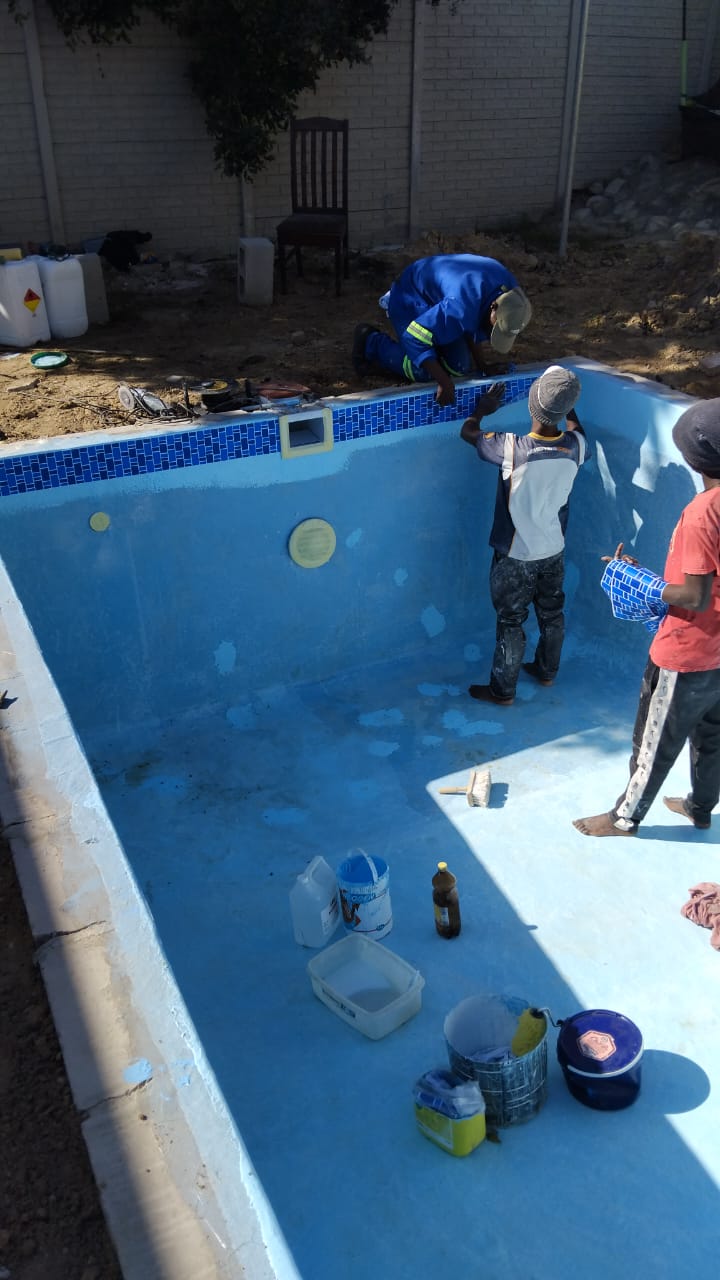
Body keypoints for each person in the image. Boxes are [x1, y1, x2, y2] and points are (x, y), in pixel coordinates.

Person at [574, 398, 720, 837]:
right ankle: (700, 808)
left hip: (687, 654)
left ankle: (624, 818)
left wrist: (641, 583)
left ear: (694, 459)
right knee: (712, 738)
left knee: (652, 743)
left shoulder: (702, 514)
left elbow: (695, 596)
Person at [460, 365, 588, 706]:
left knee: (511, 621)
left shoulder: (510, 449)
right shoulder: (577, 446)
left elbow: (468, 432)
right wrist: (567, 405)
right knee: (552, 613)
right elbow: (575, 427)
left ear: (531, 406)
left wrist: (482, 410)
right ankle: (547, 671)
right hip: (554, 550)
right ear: (566, 410)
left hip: (516, 555)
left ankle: (503, 690)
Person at [352, 254, 531, 407]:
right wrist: (444, 382)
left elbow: (477, 320)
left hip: (441, 301)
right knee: (424, 372)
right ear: (493, 307)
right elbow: (413, 337)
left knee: (459, 367)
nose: (492, 332)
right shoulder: (460, 306)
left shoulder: (511, 295)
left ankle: (436, 345)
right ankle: (371, 341)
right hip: (409, 298)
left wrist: (482, 366)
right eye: (495, 327)